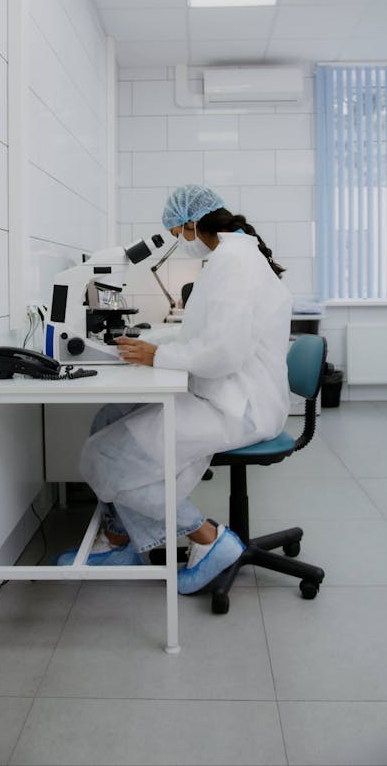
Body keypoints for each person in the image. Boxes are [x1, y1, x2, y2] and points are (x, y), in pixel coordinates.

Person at [58, 184, 293, 594]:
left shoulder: (233, 262)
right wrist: (156, 348)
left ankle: (209, 539)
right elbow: (208, 335)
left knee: (103, 456)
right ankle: (120, 541)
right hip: (226, 391)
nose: (177, 244)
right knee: (109, 417)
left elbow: (224, 351)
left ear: (191, 223)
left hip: (238, 404)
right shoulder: (232, 255)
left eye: (175, 235)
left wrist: (156, 356)